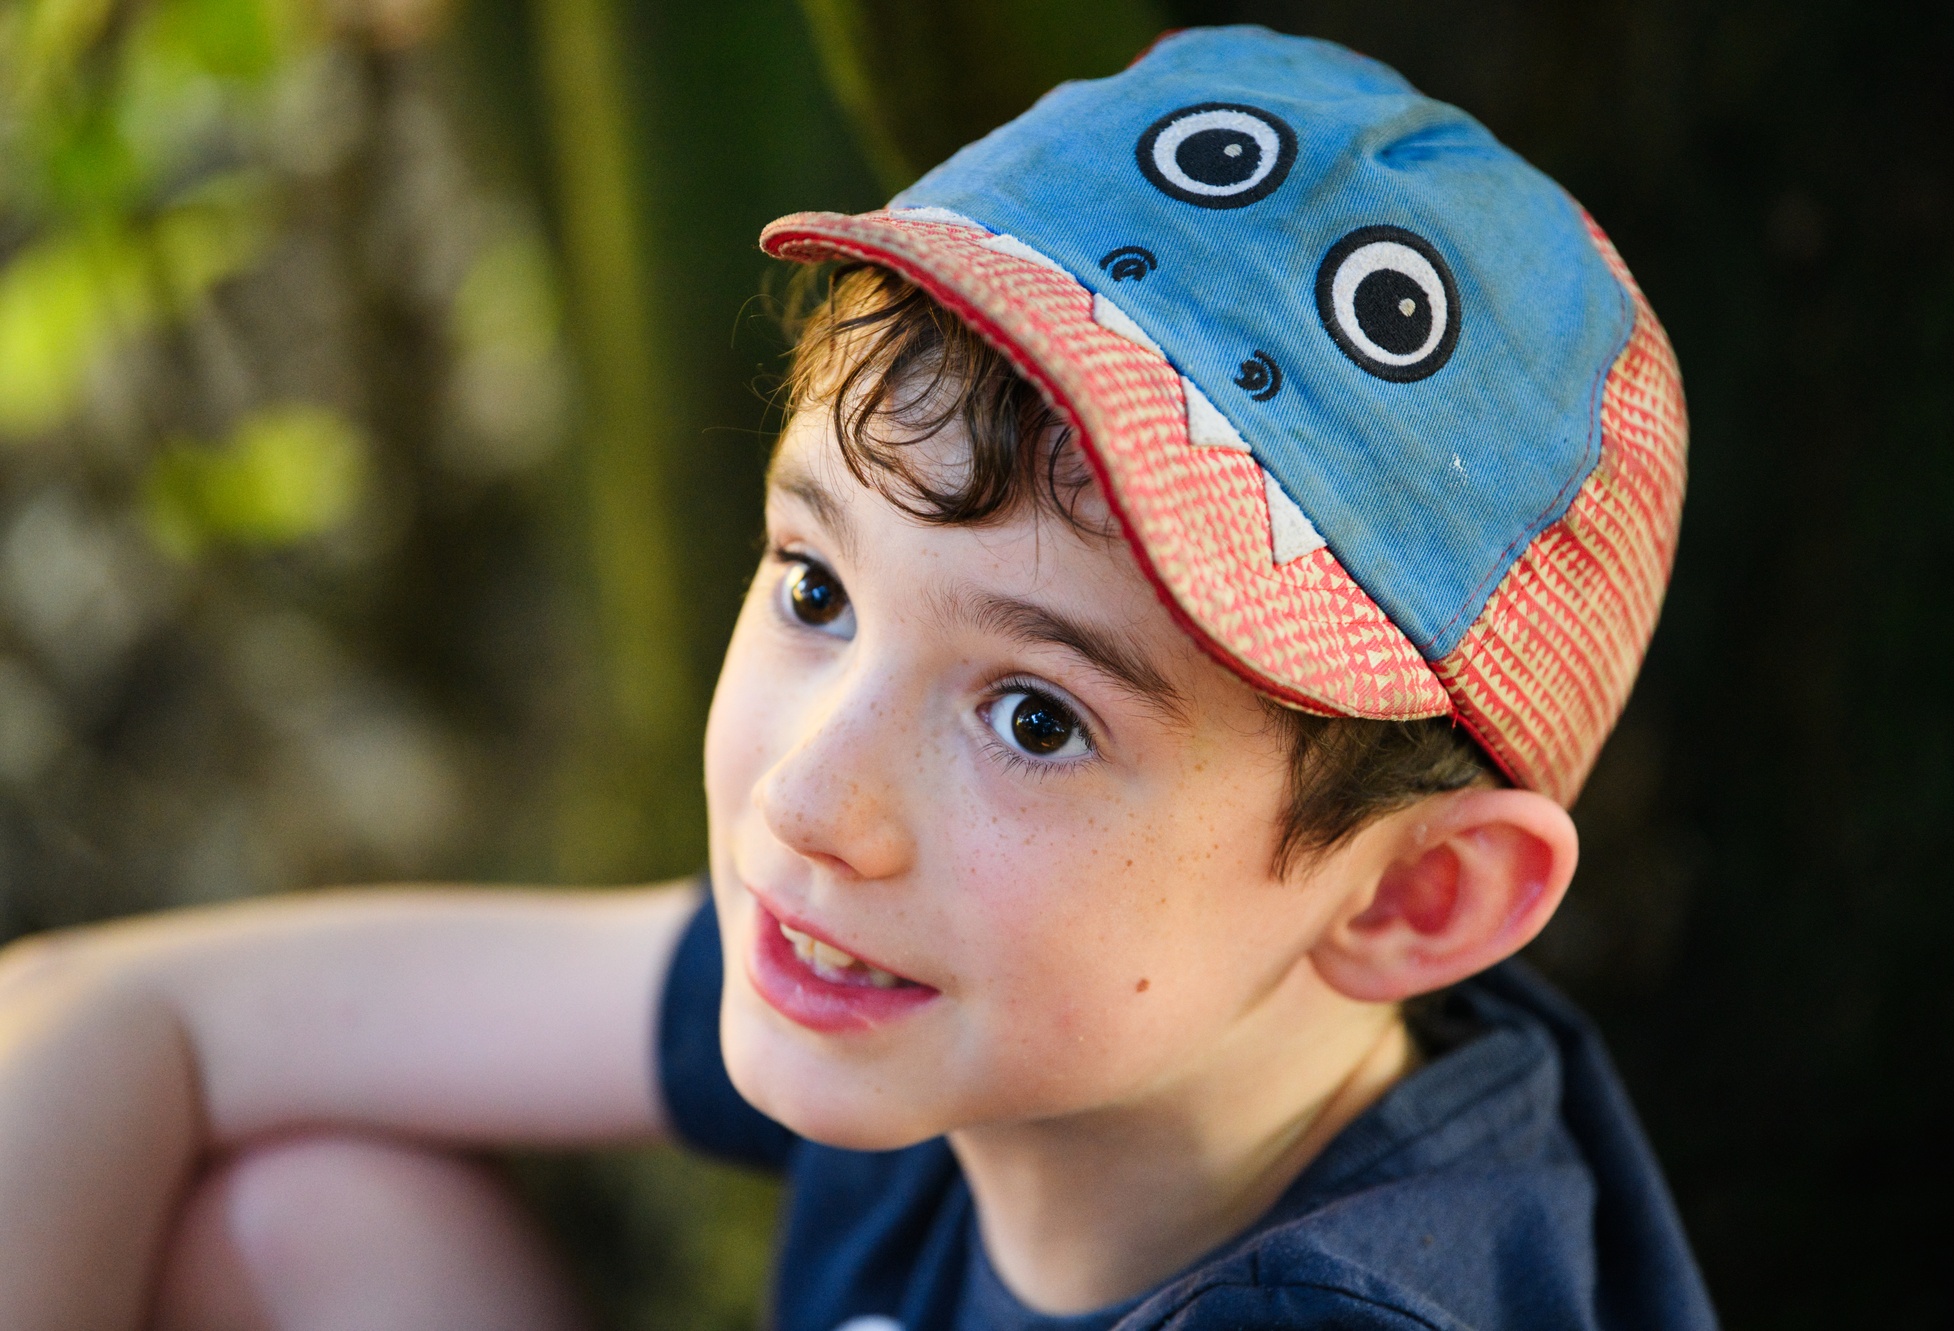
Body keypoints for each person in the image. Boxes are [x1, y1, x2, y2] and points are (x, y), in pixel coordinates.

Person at [0, 25, 1715, 1331]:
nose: (811, 797)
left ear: (1414, 896)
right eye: (817, 590)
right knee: (301, 1229)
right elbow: (112, 1014)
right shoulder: (966, 978)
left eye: (1036, 717)